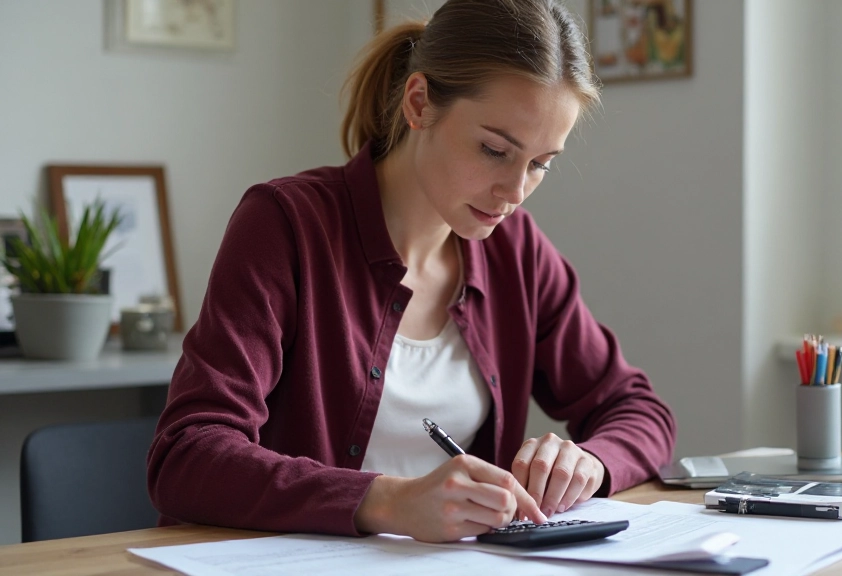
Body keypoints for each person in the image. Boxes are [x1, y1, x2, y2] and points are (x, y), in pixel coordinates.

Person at [147, 0, 676, 544]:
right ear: (419, 102)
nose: (515, 193)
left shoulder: (516, 252)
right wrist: (386, 501)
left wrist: (588, 462)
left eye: (541, 163)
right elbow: (186, 455)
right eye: (495, 150)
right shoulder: (286, 225)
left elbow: (639, 410)